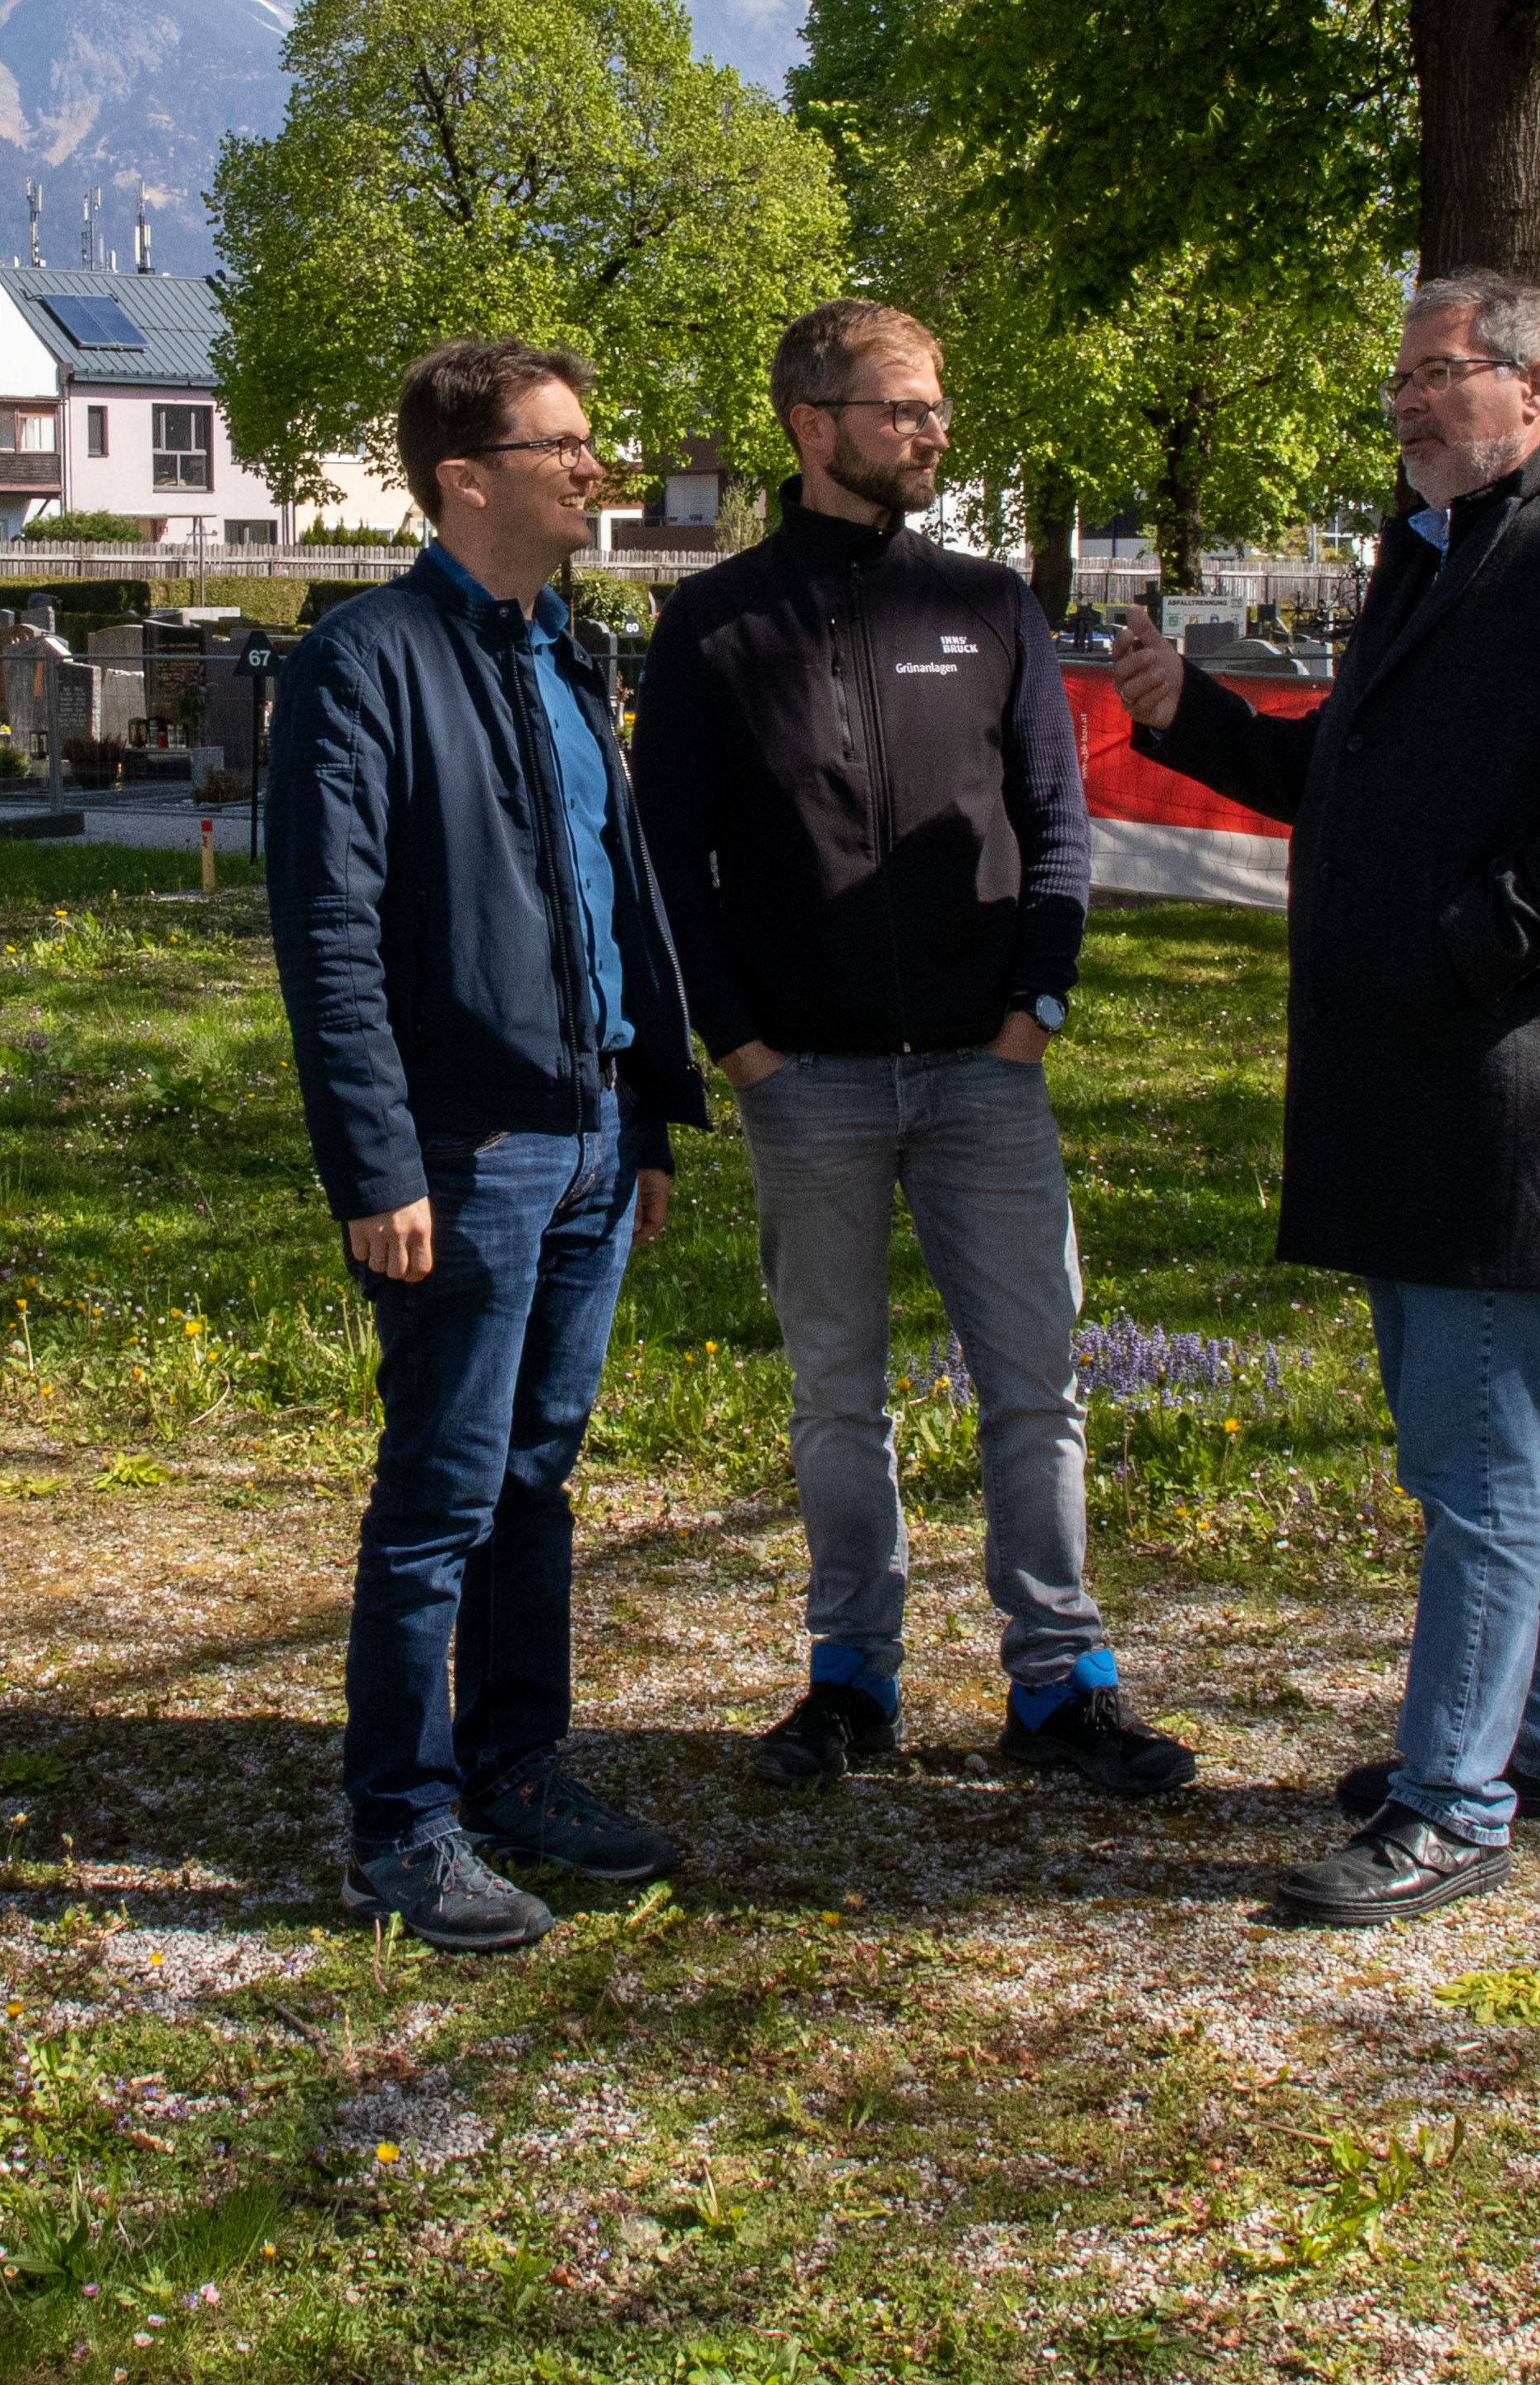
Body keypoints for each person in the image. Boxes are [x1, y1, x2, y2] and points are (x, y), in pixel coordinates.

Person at [1110, 271, 1540, 1926]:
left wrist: (1466, 947)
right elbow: (1348, 769)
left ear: (1539, 386)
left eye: (1441, 373)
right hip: (1402, 1073)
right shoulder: (1434, 551)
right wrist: (1192, 716)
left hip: (1498, 1081)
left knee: (1476, 1458)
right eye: (1402, 377)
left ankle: (1455, 1798)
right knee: (1471, 1439)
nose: (1408, 401)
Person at [631, 299, 1196, 1798]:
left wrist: (1036, 1010)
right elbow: (664, 858)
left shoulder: (989, 604)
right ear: (814, 425)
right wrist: (737, 1043)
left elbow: (1057, 821)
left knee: (1035, 1386)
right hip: (804, 1082)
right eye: (905, 409)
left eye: (939, 407)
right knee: (839, 1397)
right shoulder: (714, 625)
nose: (934, 431)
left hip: (983, 1076)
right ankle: (851, 1679)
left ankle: (1061, 1682)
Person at [264, 338, 706, 1952]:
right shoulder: (364, 662)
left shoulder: (568, 655)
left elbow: (617, 899)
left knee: (536, 1477)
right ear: (466, 475)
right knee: (442, 1492)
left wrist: (645, 1114)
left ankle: (518, 1768)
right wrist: (376, 1163)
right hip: (463, 1150)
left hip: (588, 1136)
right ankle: (402, 1822)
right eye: (563, 445)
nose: (595, 469)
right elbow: (330, 936)